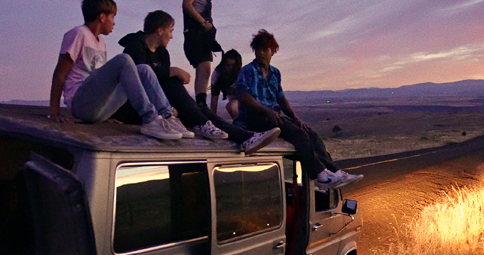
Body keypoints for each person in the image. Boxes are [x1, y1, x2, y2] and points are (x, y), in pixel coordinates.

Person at [118, 10, 281, 153]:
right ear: (160, 31)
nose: (172, 35)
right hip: (140, 110)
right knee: (173, 82)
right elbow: (141, 79)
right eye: (170, 31)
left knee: (199, 107)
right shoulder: (134, 48)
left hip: (163, 109)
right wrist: (173, 71)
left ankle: (245, 137)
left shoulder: (162, 53)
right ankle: (203, 124)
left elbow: (159, 85)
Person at [233, 30, 363, 190]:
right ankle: (321, 175)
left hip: (272, 116)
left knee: (311, 134)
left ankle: (335, 172)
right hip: (253, 117)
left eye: (264, 50)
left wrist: (295, 118)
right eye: (258, 50)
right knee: (297, 134)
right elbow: (243, 96)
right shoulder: (247, 71)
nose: (261, 53)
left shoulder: (275, 73)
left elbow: (281, 98)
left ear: (272, 51)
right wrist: (266, 110)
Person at [48, 0, 188, 140]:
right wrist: (54, 111)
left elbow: (103, 84)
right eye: (112, 17)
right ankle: (150, 119)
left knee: (143, 69)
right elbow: (60, 74)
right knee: (124, 60)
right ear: (102, 17)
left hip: (96, 110)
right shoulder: (78, 34)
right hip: (80, 104)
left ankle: (167, 117)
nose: (114, 22)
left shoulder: (101, 42)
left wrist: (105, 115)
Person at [182, 0, 222, 108]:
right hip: (195, 33)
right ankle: (201, 105)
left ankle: (201, 103)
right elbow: (187, 4)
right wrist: (204, 22)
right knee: (204, 66)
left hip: (199, 34)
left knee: (204, 67)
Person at [210, 49, 242, 118]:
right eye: (228, 65)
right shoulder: (217, 74)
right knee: (231, 107)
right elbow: (214, 98)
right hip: (235, 104)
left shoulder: (243, 74)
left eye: (233, 65)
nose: (230, 68)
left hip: (247, 101)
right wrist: (213, 119)